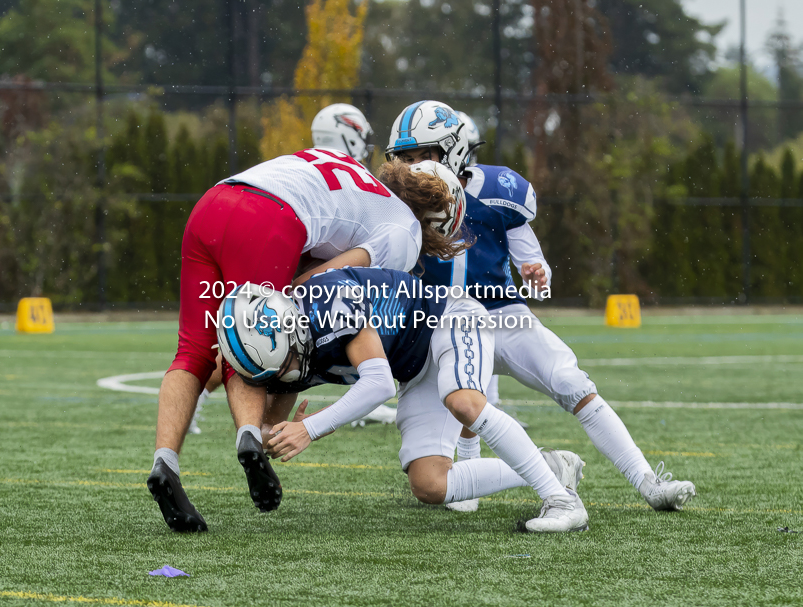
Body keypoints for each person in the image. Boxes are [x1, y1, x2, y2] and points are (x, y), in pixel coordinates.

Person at [385, 100, 696, 514]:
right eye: (406, 159)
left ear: (454, 148)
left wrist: (536, 272)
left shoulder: (497, 191)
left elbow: (530, 258)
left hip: (501, 315)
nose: (414, 167)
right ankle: (473, 475)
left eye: (424, 155)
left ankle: (648, 481)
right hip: (437, 326)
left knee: (571, 382)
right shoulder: (397, 203)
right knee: (463, 401)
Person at [147, 147, 465, 533]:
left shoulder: (351, 173)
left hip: (213, 203)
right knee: (268, 338)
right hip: (268, 216)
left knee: (193, 351)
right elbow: (328, 282)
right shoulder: (406, 232)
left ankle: (165, 461)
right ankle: (253, 436)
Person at [218, 262, 590, 533]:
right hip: (414, 368)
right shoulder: (280, 355)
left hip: (449, 319)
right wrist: (270, 434)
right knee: (430, 485)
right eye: (276, 372)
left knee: (463, 401)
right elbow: (275, 420)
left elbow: (379, 383)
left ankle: (562, 501)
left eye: (290, 361)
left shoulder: (328, 301)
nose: (289, 372)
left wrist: (311, 428)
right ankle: (554, 466)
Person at [186, 103, 390, 434]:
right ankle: (260, 425)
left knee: (269, 338)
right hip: (288, 248)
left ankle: (265, 425)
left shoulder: (306, 158)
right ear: (351, 135)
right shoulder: (348, 172)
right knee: (272, 337)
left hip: (271, 235)